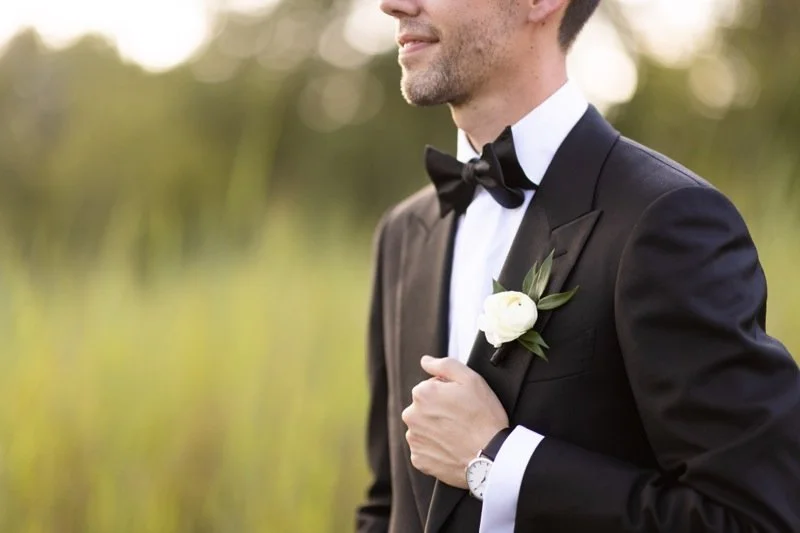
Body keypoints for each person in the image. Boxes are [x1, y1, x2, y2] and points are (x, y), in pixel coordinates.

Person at [355, 0, 800, 531]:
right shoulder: (405, 233)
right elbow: (388, 505)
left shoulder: (669, 221)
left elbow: (755, 517)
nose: (392, 3)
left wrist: (500, 462)